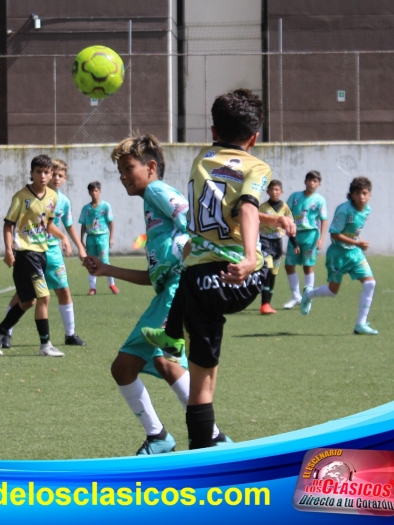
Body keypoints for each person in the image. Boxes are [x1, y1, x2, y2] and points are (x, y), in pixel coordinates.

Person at [142, 89, 271, 449]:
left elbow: (227, 204)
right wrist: (248, 258)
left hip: (200, 281)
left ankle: (199, 461)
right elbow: (244, 206)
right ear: (254, 137)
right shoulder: (256, 166)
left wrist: (266, 216)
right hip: (237, 277)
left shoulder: (202, 158)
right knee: (266, 256)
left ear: (214, 131)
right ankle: (173, 333)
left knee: (201, 385)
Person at [84, 134, 227, 455]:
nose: (122, 176)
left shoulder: (158, 191)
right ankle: (159, 436)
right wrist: (107, 270)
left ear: (150, 167)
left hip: (179, 292)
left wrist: (194, 258)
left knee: (167, 360)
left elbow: (196, 225)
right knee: (123, 368)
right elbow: (153, 278)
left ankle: (213, 438)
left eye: (127, 168)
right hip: (165, 294)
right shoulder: (151, 205)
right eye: (119, 171)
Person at [0, 155, 71, 357]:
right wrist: (8, 250)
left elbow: (48, 224)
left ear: (51, 174)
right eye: (38, 172)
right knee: (45, 296)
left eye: (46, 172)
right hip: (26, 253)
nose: (43, 176)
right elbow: (9, 224)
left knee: (28, 301)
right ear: (31, 173)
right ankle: (45, 345)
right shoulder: (21, 197)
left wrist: (63, 237)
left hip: (42, 252)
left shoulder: (52, 197)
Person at [2, 159, 87, 349]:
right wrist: (9, 249)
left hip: (52, 252)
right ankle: (5, 333)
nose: (54, 178)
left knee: (63, 290)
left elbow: (67, 225)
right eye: (52, 174)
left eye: (59, 175)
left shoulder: (62, 200)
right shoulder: (27, 197)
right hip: (31, 250)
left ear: (65, 178)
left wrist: (79, 246)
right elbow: (10, 223)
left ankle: (70, 333)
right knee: (24, 295)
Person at [301, 177, 378, 335]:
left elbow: (355, 230)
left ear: (370, 194)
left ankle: (360, 324)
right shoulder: (344, 210)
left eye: (365, 193)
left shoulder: (367, 210)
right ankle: (308, 294)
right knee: (332, 291)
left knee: (370, 284)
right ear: (352, 195)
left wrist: (358, 241)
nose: (362, 197)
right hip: (338, 255)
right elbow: (334, 234)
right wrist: (357, 243)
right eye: (358, 194)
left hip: (355, 254)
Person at [283, 170, 328, 309]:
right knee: (289, 265)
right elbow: (286, 213)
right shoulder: (295, 196)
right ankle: (296, 296)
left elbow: (323, 220)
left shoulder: (320, 200)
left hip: (310, 235)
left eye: (315, 181)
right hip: (295, 235)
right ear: (305, 181)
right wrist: (286, 228)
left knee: (308, 266)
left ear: (319, 184)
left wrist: (321, 239)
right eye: (310, 180)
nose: (312, 183)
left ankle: (308, 296)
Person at [258, 180, 294, 314]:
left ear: (281, 192)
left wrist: (295, 243)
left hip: (278, 243)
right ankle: (264, 304)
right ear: (267, 191)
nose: (274, 192)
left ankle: (268, 304)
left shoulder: (284, 207)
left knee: (273, 274)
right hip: (265, 242)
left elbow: (290, 226)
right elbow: (255, 223)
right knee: (267, 270)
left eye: (277, 190)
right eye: (272, 189)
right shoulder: (262, 207)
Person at [79, 181, 118, 295]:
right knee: (91, 262)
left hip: (102, 237)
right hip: (90, 238)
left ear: (99, 192)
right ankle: (92, 288)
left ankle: (112, 284)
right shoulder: (86, 208)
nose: (94, 193)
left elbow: (111, 222)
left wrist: (111, 238)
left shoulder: (106, 206)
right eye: (92, 191)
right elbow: (83, 224)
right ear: (89, 192)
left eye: (96, 190)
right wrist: (81, 239)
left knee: (105, 261)